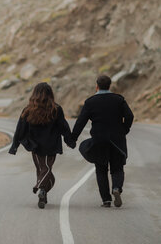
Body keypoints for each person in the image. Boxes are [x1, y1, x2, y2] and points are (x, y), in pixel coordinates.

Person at [71, 75, 134, 208]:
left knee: (101, 169)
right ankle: (116, 188)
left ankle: (106, 200)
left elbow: (81, 121)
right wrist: (124, 129)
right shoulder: (118, 99)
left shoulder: (90, 102)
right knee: (117, 168)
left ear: (97, 86)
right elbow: (129, 116)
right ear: (110, 86)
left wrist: (73, 138)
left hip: (99, 140)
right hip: (117, 140)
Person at [9, 82, 74, 209]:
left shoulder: (29, 109)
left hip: (35, 146)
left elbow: (20, 130)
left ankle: (40, 189)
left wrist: (15, 145)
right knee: (45, 169)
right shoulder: (56, 108)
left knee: (44, 169)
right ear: (50, 94)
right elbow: (64, 128)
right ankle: (42, 191)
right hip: (51, 145)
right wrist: (69, 140)